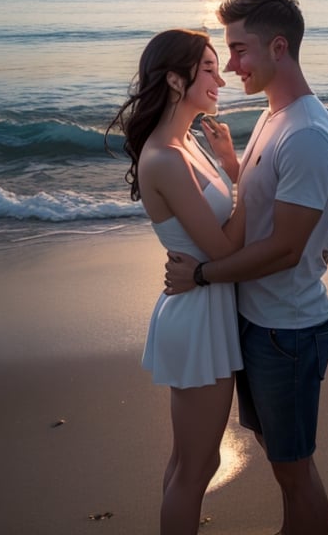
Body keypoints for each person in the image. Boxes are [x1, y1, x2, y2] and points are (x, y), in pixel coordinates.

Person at [165, 0, 328, 535]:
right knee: (282, 458)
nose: (232, 65)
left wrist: (201, 274)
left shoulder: (308, 133)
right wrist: (232, 165)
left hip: (287, 331)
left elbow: (286, 247)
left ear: (279, 48)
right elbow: (269, 203)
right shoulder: (274, 115)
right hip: (261, 323)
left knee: (293, 472)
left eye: (239, 50)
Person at [105, 29, 245, 535]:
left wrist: (230, 167)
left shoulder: (186, 142)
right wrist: (246, 177)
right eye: (208, 68)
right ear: (174, 78)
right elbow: (226, 248)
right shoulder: (164, 157)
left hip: (208, 304)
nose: (220, 77)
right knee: (194, 470)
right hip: (196, 315)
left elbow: (222, 235)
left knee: (195, 463)